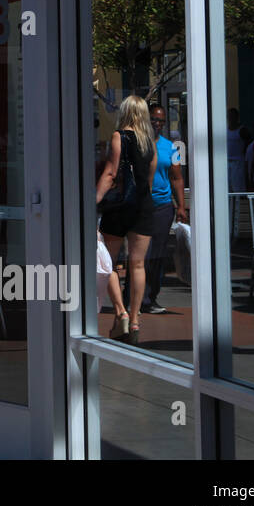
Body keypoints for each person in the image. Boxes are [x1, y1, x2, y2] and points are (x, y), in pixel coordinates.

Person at [95, 95, 158, 345]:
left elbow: (111, 173)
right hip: (143, 207)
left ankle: (119, 309)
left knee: (108, 262)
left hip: (120, 207)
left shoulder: (119, 137)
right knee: (138, 265)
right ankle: (134, 320)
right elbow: (149, 180)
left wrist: (95, 200)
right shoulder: (150, 143)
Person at [143, 104, 189, 314]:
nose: (158, 124)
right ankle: (135, 296)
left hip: (163, 206)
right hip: (141, 206)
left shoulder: (171, 147)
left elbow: (177, 178)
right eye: (154, 119)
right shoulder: (137, 143)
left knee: (158, 254)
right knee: (140, 253)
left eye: (161, 121)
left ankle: (151, 297)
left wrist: (181, 206)